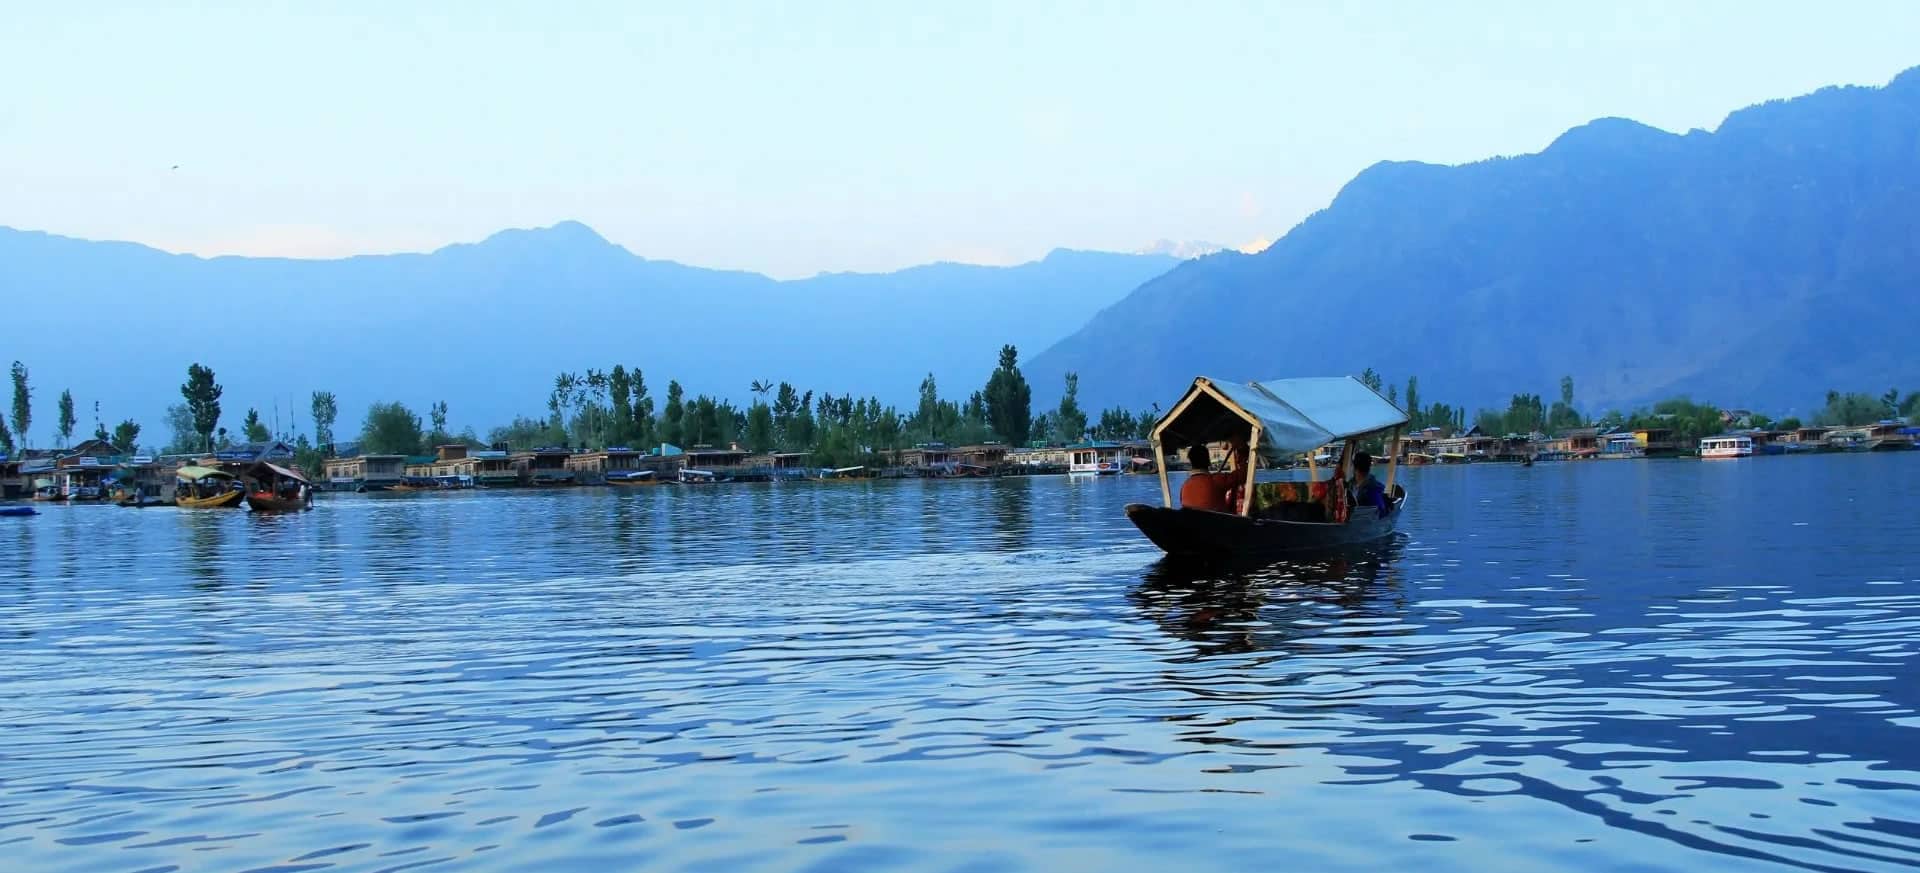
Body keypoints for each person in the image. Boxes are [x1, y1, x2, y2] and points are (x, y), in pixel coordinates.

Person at [1179, 443, 1237, 513]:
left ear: (1191, 463)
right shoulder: (1218, 480)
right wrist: (1242, 449)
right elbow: (1243, 474)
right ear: (1208, 461)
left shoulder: (1184, 487)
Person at [1350, 450, 1390, 518]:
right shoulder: (1350, 484)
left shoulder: (1373, 488)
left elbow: (1381, 511)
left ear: (1354, 467)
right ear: (1369, 467)